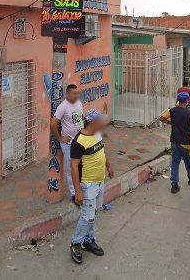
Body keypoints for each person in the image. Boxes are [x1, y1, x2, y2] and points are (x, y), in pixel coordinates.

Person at [69, 109, 114, 265]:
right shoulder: (78, 141)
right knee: (87, 216)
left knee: (95, 212)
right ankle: (75, 243)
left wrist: (109, 166)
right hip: (87, 184)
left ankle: (88, 241)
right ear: (92, 122)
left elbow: (102, 151)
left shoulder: (97, 134)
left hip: (100, 180)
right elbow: (74, 167)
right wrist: (78, 191)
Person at [158, 92, 190, 194]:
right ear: (187, 101)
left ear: (178, 100)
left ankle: (174, 185)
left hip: (174, 142)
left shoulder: (171, 111)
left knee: (175, 163)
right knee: (188, 162)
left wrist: (171, 122)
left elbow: (161, 118)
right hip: (185, 143)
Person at [53, 84, 84, 202]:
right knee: (71, 169)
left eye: (78, 93)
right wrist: (60, 138)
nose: (77, 95)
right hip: (69, 144)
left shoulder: (78, 103)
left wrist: (83, 131)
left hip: (80, 141)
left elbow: (80, 117)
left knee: (80, 166)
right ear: (68, 94)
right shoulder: (63, 107)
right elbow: (53, 123)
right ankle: (74, 193)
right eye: (75, 93)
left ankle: (80, 189)